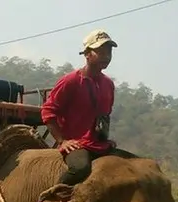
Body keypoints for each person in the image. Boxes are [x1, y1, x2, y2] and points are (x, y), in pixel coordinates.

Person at [41, 29, 135, 185]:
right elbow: (48, 111)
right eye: (101, 52)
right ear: (87, 54)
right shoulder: (70, 81)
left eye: (109, 52)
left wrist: (104, 139)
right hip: (79, 145)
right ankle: (52, 197)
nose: (106, 56)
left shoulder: (108, 84)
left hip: (99, 145)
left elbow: (104, 115)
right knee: (80, 169)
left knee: (139, 165)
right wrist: (62, 141)